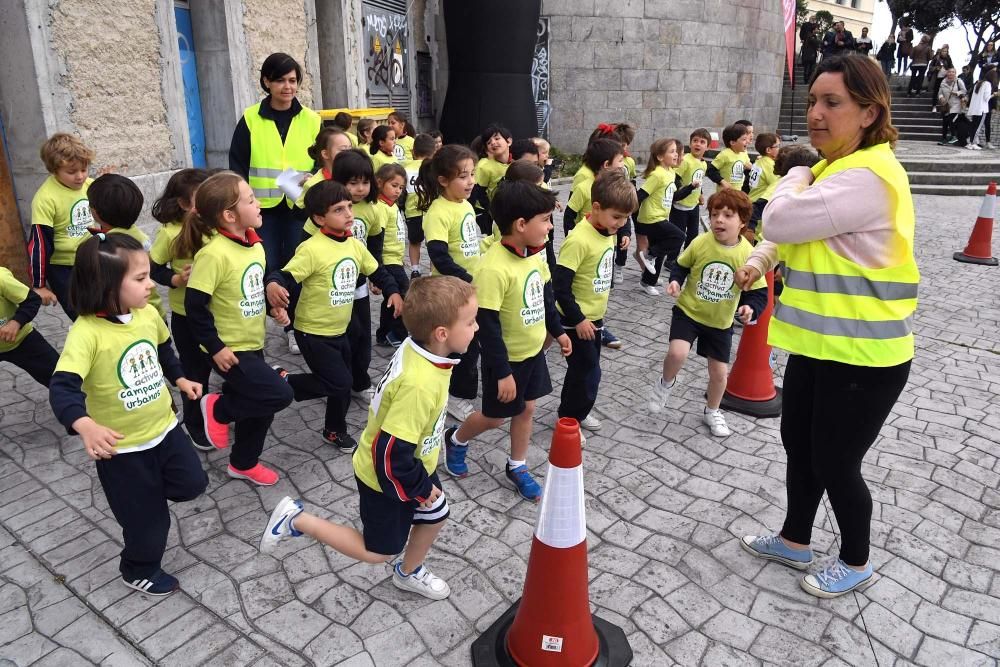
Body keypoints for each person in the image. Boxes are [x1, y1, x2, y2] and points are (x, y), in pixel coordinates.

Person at [736, 55, 918, 598]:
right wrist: (764, 260)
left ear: (868, 111)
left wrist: (792, 172)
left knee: (837, 462)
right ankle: (795, 539)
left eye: (832, 102)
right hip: (821, 346)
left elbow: (780, 217)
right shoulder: (836, 170)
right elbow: (792, 235)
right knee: (799, 443)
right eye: (813, 100)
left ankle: (857, 559)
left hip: (866, 355)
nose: (816, 113)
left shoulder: (869, 174)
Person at [260, 275, 478, 601]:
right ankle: (297, 520)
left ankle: (409, 572)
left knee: (436, 514)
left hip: (413, 463)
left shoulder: (420, 348)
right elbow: (389, 452)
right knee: (378, 552)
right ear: (442, 334)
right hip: (387, 477)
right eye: (471, 322)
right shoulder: (420, 385)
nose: (476, 328)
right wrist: (418, 487)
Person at [49, 233, 208, 596]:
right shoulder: (86, 334)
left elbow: (164, 350)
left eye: (148, 274)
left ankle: (148, 499)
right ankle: (137, 567)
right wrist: (85, 424)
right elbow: (62, 387)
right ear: (106, 287)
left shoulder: (148, 313)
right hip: (123, 452)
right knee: (149, 524)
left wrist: (180, 378)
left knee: (193, 484)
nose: (150, 283)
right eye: (140, 278)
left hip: (165, 430)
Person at [441, 181, 571, 502]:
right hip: (506, 361)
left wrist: (559, 330)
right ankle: (456, 439)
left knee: (527, 409)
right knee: (496, 417)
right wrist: (501, 372)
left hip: (532, 354)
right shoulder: (493, 268)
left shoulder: (536, 254)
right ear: (521, 224)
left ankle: (517, 465)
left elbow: (545, 294)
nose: (551, 226)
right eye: (545, 219)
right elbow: (487, 325)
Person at [265, 180, 401, 453]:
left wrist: (393, 291)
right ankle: (284, 380)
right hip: (313, 332)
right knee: (339, 383)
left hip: (341, 328)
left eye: (349, 207)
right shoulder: (312, 249)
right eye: (339, 209)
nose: (349, 214)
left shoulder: (353, 245)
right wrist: (273, 284)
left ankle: (333, 430)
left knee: (342, 382)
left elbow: (377, 271)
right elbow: (285, 275)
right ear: (318, 218)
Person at [183, 172, 295, 486]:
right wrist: (215, 347)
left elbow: (249, 289)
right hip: (229, 348)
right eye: (250, 200)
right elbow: (195, 307)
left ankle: (243, 463)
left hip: (253, 341)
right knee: (278, 393)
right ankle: (217, 409)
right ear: (229, 215)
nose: (259, 204)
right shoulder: (213, 254)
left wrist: (274, 309)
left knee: (261, 409)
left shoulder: (254, 246)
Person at [647, 189, 767, 437]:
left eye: (727, 215)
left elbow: (759, 292)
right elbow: (681, 265)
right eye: (714, 214)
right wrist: (676, 282)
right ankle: (665, 383)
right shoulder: (701, 242)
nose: (719, 220)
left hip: (720, 322)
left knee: (719, 373)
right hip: (688, 312)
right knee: (677, 353)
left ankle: (712, 410)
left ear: (743, 221)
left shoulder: (749, 254)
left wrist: (750, 307)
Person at [229, 53, 320, 355]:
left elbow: (323, 163)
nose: (287, 86)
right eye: (280, 80)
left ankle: (293, 326)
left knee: (295, 266)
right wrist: (240, 204)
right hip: (262, 209)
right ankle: (267, 322)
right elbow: (238, 165)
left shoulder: (311, 120)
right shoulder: (251, 119)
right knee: (266, 266)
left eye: (292, 80)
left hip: (299, 207)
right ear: (266, 82)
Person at [554, 171, 636, 433]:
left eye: (626, 218)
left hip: (594, 317)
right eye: (617, 217)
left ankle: (573, 413)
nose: (621, 223)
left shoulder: (606, 230)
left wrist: (620, 231)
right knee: (588, 372)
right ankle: (570, 421)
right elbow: (560, 286)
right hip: (575, 319)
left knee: (583, 371)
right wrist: (578, 319)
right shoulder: (579, 239)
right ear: (596, 208)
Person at [148, 168, 214, 449]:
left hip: (217, 314)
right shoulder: (170, 234)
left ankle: (217, 414)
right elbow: (152, 268)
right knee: (194, 372)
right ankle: (195, 424)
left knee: (218, 365)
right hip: (187, 317)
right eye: (203, 198)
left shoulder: (215, 226)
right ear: (184, 204)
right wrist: (175, 279)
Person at [417, 144, 482, 421]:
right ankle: (455, 396)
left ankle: (454, 387)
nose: (470, 182)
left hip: (468, 289)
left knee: (469, 342)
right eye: (463, 176)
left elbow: (468, 245)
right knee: (459, 346)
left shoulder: (464, 204)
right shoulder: (438, 212)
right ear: (443, 180)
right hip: (450, 293)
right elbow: (440, 256)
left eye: (472, 174)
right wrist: (466, 280)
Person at [326, 150, 384, 398]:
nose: (360, 189)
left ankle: (360, 382)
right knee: (340, 335)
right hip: (332, 286)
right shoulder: (326, 207)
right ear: (338, 182)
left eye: (365, 182)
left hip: (359, 284)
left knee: (361, 335)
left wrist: (376, 277)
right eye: (353, 183)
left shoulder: (372, 210)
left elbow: (375, 246)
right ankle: (337, 379)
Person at [27, 133, 97, 321]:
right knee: (80, 314)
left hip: (91, 258)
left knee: (103, 306)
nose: (80, 176)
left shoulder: (90, 186)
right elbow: (40, 244)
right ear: (54, 170)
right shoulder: (45, 198)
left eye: (84, 169)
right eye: (72, 172)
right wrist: (39, 284)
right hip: (62, 269)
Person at [86, 174, 166, 319]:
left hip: (130, 317)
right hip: (155, 311)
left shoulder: (107, 246)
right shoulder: (141, 237)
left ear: (95, 211)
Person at [635, 138, 686, 296]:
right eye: (672, 152)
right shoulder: (657, 174)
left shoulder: (670, 172)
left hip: (661, 217)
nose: (676, 154)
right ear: (659, 157)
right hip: (650, 219)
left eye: (676, 152)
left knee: (660, 250)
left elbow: (673, 196)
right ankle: (648, 254)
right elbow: (640, 195)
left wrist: (691, 188)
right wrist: (625, 212)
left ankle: (647, 281)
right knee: (679, 237)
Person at [0, 265, 59, 387]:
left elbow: (32, 300)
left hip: (21, 339)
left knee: (61, 379)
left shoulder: (1, 278)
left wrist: (16, 323)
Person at [373, 163, 411, 347]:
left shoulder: (392, 206)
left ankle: (384, 333)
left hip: (395, 259)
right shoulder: (380, 207)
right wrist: (375, 274)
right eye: (394, 186)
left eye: (401, 187)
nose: (398, 191)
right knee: (404, 293)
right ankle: (398, 333)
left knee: (392, 296)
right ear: (379, 183)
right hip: (387, 261)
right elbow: (377, 240)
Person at [563, 138, 625, 236]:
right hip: (586, 242)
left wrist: (626, 233)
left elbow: (622, 213)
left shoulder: (617, 186)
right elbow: (569, 216)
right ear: (606, 164)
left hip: (608, 244)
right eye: (620, 160)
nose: (623, 164)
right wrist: (572, 236)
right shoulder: (583, 188)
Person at [402, 134, 436, 278]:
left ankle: (415, 269)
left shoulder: (405, 168)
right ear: (434, 152)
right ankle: (432, 271)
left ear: (413, 152)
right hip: (432, 211)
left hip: (412, 211)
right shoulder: (434, 168)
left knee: (414, 242)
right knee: (434, 241)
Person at [295, 127, 354, 208]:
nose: (349, 154)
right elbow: (300, 213)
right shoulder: (313, 185)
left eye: (350, 149)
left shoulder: (354, 176)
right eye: (343, 150)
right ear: (325, 154)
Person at [670, 128, 710, 249]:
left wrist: (700, 194)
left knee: (693, 234)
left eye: (702, 142)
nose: (698, 144)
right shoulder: (686, 160)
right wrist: (677, 194)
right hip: (680, 204)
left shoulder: (703, 164)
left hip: (693, 204)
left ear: (707, 147)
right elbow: (675, 177)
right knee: (678, 234)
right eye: (695, 140)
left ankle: (686, 257)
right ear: (690, 143)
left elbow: (699, 181)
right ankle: (671, 259)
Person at [470, 124, 513, 235]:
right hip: (486, 214)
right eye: (489, 142)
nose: (493, 142)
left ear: (509, 141)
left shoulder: (515, 163)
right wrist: (491, 211)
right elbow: (478, 192)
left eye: (497, 138)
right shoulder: (484, 166)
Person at [748, 133, 781, 235]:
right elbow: (777, 184)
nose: (780, 149)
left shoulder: (759, 161)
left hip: (752, 198)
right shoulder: (770, 165)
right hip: (760, 203)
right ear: (768, 150)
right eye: (777, 146)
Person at [707, 123, 752, 192]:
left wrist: (750, 167)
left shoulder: (743, 154)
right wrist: (722, 182)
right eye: (744, 139)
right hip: (724, 194)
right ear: (733, 142)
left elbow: (747, 168)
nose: (747, 142)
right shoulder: (725, 154)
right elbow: (710, 171)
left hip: (737, 192)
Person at [968, 66, 998, 149]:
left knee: (974, 125)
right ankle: (973, 143)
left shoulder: (978, 83)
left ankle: (970, 143)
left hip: (975, 108)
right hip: (982, 109)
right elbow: (986, 98)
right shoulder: (988, 84)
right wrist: (994, 94)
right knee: (978, 127)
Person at [936, 68, 967, 145]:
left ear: (955, 73)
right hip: (946, 105)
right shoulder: (943, 82)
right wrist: (941, 97)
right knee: (944, 122)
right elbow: (939, 93)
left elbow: (964, 91)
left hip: (956, 104)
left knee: (950, 119)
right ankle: (943, 139)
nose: (951, 73)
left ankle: (954, 136)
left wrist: (957, 93)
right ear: (947, 73)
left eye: (953, 72)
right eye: (949, 72)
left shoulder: (958, 81)